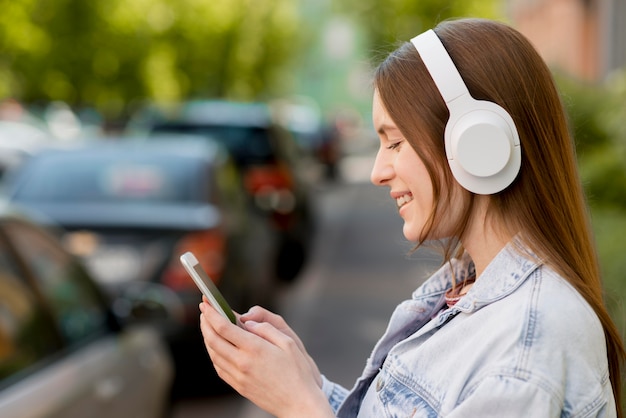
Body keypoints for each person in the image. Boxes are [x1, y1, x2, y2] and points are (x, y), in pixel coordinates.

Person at [198, 17, 625, 417]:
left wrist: (298, 404)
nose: (377, 171)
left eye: (396, 142)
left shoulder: (528, 343)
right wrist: (305, 381)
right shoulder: (473, 295)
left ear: (478, 142)